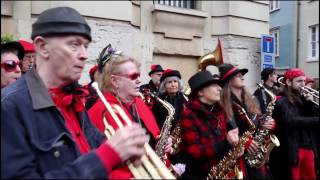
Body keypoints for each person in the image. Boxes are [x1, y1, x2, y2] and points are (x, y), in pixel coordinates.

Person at [1, 7, 149, 179]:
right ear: (42, 47)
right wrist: (107, 155)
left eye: (85, 46)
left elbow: (91, 147)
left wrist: (126, 150)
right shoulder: (9, 106)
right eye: (74, 45)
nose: (84, 55)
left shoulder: (72, 96)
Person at [88, 46, 173, 179]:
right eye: (133, 76)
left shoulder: (138, 103)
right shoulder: (101, 111)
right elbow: (95, 166)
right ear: (115, 81)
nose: (139, 80)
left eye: (138, 75)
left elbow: (153, 137)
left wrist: (164, 144)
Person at [178, 70, 242, 179]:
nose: (220, 88)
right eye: (213, 85)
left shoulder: (219, 111)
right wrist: (226, 143)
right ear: (200, 92)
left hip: (221, 171)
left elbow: (221, 141)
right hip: (199, 175)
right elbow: (195, 152)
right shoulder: (188, 114)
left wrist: (235, 148)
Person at [218, 63, 275, 179]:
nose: (243, 77)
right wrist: (245, 142)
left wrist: (268, 124)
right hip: (237, 155)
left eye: (242, 75)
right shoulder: (222, 103)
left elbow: (257, 122)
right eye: (238, 75)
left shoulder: (251, 99)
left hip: (255, 151)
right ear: (229, 80)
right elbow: (224, 131)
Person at [270, 68, 319, 180]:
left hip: (308, 147)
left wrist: (310, 104)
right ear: (288, 82)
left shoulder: (304, 99)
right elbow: (292, 120)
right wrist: (316, 120)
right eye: (299, 81)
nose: (303, 84)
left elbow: (312, 116)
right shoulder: (282, 100)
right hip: (293, 150)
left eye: (304, 81)